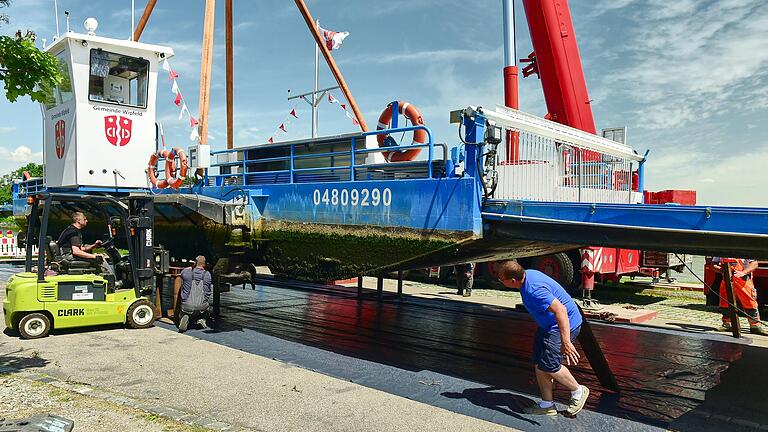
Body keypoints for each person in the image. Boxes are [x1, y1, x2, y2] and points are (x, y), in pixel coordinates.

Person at [497, 260, 589, 416]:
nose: (499, 280)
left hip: (563, 325)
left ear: (512, 281)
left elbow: (561, 310)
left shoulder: (534, 290)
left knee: (549, 365)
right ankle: (547, 405)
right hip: (548, 326)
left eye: (501, 279)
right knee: (540, 363)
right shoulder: (527, 276)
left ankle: (578, 390)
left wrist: (565, 341)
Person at [712, 257, 767, 335]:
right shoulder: (721, 248)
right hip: (727, 280)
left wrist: (743, 273)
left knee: (750, 303)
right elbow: (713, 264)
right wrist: (721, 270)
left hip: (743, 281)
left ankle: (755, 327)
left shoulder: (744, 247)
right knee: (724, 303)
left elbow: (754, 264)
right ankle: (727, 325)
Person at [178, 255, 213, 333]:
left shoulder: (186, 272)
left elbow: (181, 274)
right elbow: (208, 292)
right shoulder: (207, 275)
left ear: (195, 263)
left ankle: (184, 317)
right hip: (201, 307)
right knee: (206, 304)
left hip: (187, 306)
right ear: (204, 264)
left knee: (185, 306)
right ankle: (201, 319)